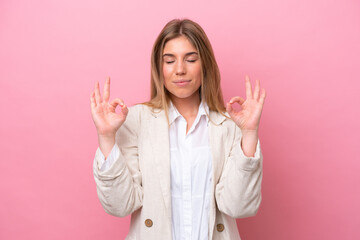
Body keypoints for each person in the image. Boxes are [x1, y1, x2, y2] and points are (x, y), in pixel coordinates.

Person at [90, 18, 266, 240]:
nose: (180, 70)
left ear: (206, 65)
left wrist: (249, 133)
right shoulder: (135, 120)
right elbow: (120, 205)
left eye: (191, 59)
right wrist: (106, 138)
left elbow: (239, 207)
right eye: (169, 61)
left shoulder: (229, 125)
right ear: (159, 68)